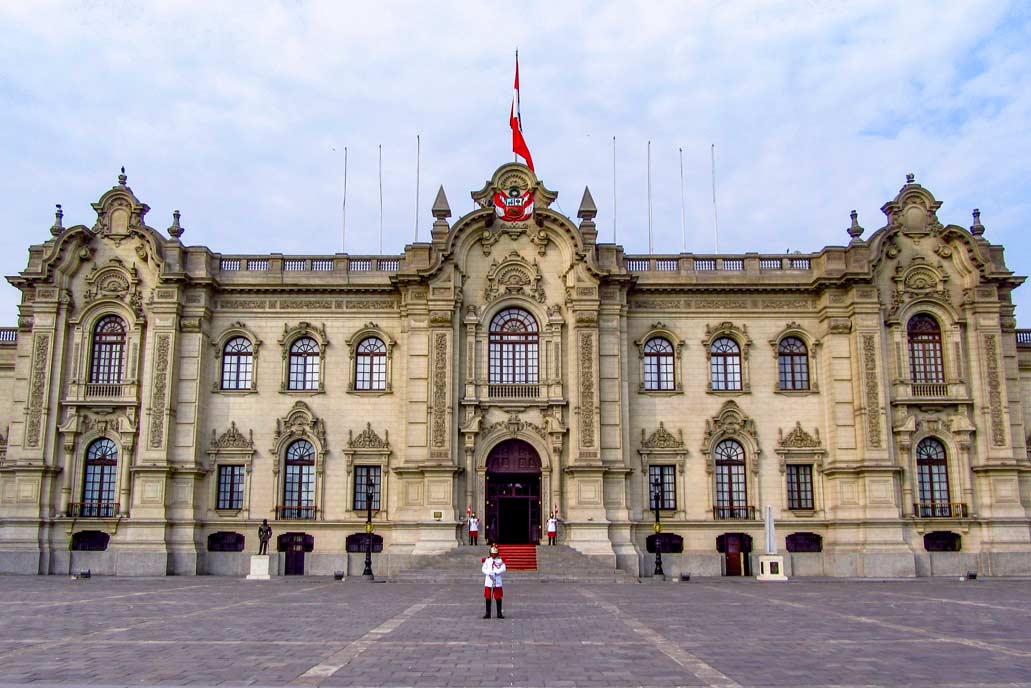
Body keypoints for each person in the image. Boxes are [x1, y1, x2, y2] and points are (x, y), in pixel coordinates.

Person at [481, 544, 506, 619]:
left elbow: (503, 569)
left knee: (498, 597)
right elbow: (483, 569)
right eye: (492, 554)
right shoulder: (487, 560)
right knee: (488, 597)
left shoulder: (500, 560)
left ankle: (499, 613)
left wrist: (496, 572)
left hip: (497, 580)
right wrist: (489, 573)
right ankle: (487, 613)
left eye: (495, 554)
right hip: (489, 581)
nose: (493, 555)